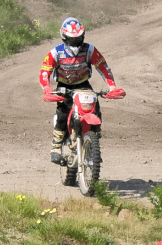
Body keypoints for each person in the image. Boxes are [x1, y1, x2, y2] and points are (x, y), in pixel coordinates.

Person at [38, 17, 125, 164]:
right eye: (73, 39)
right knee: (63, 112)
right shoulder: (55, 53)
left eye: (79, 39)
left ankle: (93, 143)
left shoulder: (90, 50)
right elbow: (44, 72)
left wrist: (112, 87)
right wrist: (47, 88)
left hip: (83, 85)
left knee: (95, 107)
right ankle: (56, 147)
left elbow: (103, 67)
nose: (76, 42)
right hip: (64, 87)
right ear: (64, 37)